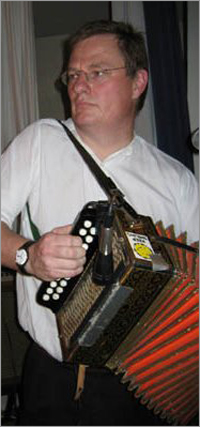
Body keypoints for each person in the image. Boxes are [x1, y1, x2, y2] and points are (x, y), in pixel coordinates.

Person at [1, 20, 199, 426]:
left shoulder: (176, 177)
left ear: (137, 82)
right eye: (73, 74)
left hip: (151, 384)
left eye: (98, 72)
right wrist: (28, 256)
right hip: (56, 380)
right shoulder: (41, 140)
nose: (78, 85)